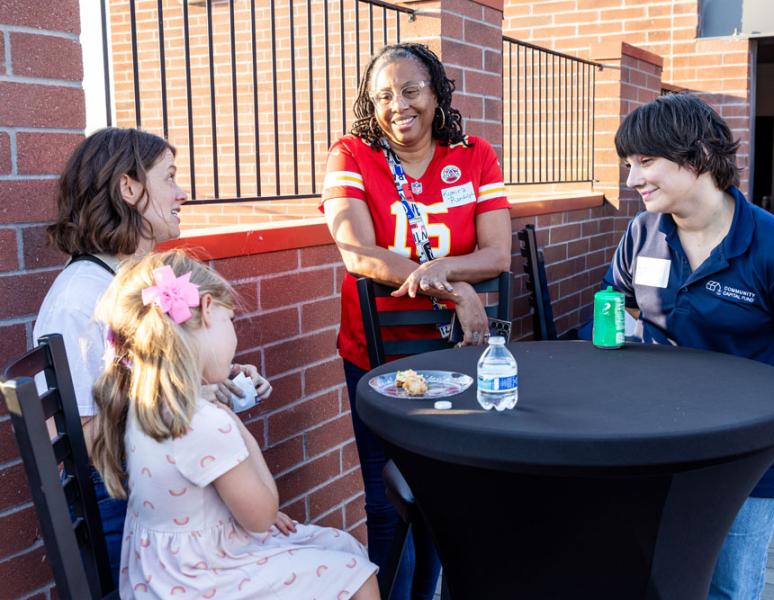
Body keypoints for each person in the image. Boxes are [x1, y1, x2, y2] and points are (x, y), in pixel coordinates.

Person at [601, 93, 774, 600]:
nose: (632, 179)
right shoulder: (641, 233)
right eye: (628, 164)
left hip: (749, 455)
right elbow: (618, 302)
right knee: (648, 577)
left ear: (696, 158)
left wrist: (741, 379)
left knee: (727, 588)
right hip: (655, 439)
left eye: (646, 162)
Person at [33, 127, 271, 581]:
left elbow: (141, 385)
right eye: (170, 177)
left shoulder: (130, 279)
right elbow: (73, 440)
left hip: (162, 498)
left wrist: (207, 381)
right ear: (129, 187)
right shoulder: (81, 298)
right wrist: (185, 398)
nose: (183, 193)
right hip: (127, 514)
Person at [320, 42, 512, 599]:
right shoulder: (353, 154)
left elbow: (497, 254)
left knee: (450, 499)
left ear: (437, 94)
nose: (398, 105)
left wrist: (443, 273)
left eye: (410, 91)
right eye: (383, 95)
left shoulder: (475, 155)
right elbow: (357, 252)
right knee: (388, 503)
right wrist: (457, 291)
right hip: (378, 360)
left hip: (458, 357)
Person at [90, 251, 379, 599]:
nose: (234, 338)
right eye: (230, 321)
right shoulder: (207, 421)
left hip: (163, 574)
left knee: (340, 544)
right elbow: (262, 515)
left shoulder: (146, 401)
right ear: (207, 309)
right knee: (358, 575)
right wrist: (230, 418)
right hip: (204, 580)